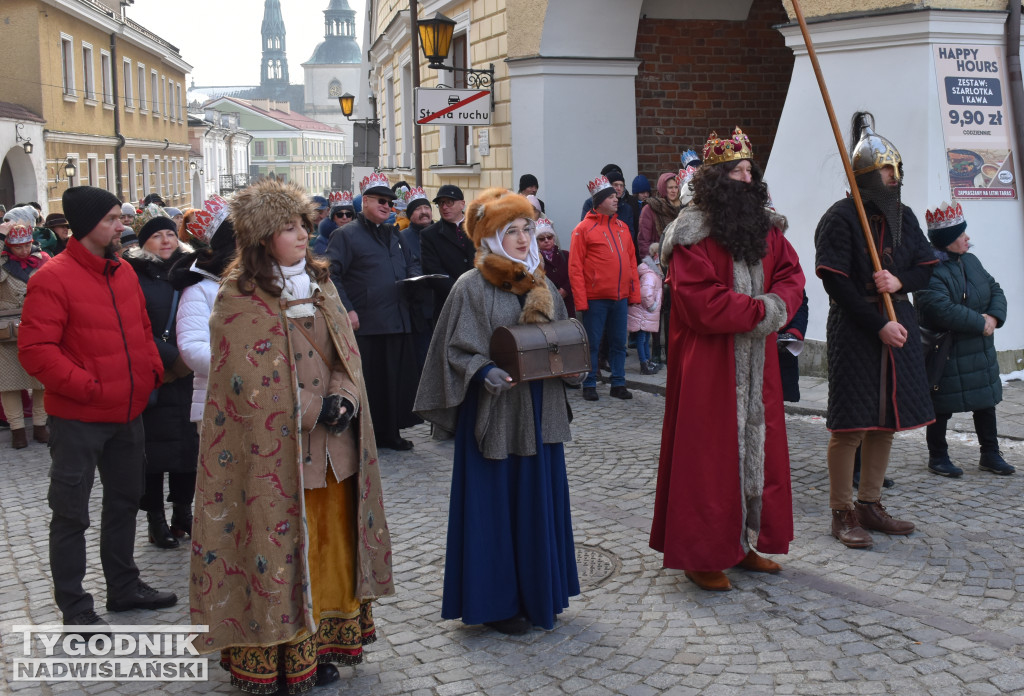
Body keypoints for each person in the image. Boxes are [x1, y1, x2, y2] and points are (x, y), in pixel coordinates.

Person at [190, 177, 393, 695]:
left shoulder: (321, 285)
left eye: (303, 224)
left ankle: (320, 647)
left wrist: (343, 396)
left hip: (335, 451)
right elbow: (245, 379)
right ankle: (275, 654)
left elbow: (346, 350)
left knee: (329, 547)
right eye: (288, 228)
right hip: (274, 457)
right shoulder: (238, 297)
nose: (303, 235)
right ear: (262, 239)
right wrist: (313, 408)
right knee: (277, 550)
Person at [414, 188, 580, 635]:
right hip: (497, 415)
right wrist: (481, 370)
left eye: (527, 228)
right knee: (495, 506)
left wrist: (572, 366)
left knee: (537, 501)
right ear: (489, 237)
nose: (524, 239)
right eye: (512, 231)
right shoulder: (470, 287)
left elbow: (565, 339)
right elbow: (451, 350)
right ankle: (497, 602)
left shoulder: (542, 284)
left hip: (541, 413)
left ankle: (542, 592)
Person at [649, 128, 805, 592]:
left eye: (750, 170)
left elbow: (791, 275)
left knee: (759, 453)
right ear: (717, 179)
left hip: (758, 364)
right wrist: (761, 312)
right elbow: (701, 302)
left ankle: (742, 542)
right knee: (708, 458)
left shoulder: (765, 227)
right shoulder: (691, 234)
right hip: (710, 365)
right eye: (737, 171)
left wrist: (775, 307)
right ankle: (701, 553)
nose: (747, 178)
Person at [19, 185, 175, 630]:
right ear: (88, 224)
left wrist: (149, 373)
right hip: (78, 418)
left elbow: (142, 331)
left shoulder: (123, 271)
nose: (121, 225)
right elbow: (36, 351)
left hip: (128, 412)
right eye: (112, 219)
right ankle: (75, 607)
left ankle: (123, 587)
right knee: (70, 513)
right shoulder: (52, 277)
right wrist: (88, 387)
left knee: (125, 502)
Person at [815, 112, 937, 549]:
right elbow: (836, 283)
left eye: (896, 169)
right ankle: (842, 511)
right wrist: (878, 324)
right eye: (887, 169)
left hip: (897, 324)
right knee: (851, 425)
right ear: (867, 173)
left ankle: (870, 503)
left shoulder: (904, 216)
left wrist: (899, 281)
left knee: (886, 422)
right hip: (856, 329)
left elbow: (926, 266)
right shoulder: (840, 217)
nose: (894, 176)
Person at [325, 173, 422, 451]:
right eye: (380, 200)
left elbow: (412, 262)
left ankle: (391, 433)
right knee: (370, 384)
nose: (386, 206)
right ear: (365, 201)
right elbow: (330, 275)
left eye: (389, 202)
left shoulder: (394, 233)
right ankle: (366, 435)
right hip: (367, 323)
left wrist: (416, 279)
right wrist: (348, 309)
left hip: (398, 319)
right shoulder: (345, 235)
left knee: (394, 382)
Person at [915, 202, 1013, 477]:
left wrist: (994, 317)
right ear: (947, 240)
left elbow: (995, 288)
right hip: (946, 350)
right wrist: (981, 323)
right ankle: (938, 457)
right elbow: (940, 309)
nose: (967, 238)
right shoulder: (929, 270)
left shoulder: (971, 261)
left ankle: (990, 454)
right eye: (961, 234)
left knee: (985, 402)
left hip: (978, 349)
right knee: (940, 406)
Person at [123, 208, 198, 550]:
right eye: (156, 236)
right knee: (151, 455)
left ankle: (184, 512)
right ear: (143, 244)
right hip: (155, 376)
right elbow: (132, 325)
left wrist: (188, 361)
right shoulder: (132, 275)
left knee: (189, 450)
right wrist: (170, 360)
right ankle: (155, 520)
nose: (166, 240)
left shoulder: (192, 271)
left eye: (169, 233)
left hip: (189, 376)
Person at [569, 174, 641, 401]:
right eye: (610, 197)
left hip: (619, 297)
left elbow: (631, 263)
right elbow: (575, 267)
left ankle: (618, 383)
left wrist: (634, 293)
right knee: (592, 343)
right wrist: (581, 301)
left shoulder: (623, 228)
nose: (616, 198)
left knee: (619, 343)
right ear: (599, 201)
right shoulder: (582, 229)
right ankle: (589, 383)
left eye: (615, 196)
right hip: (595, 298)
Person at [171, 195, 235, 431]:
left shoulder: (265, 280)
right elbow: (192, 348)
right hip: (218, 402)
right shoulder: (201, 289)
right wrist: (247, 363)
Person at [0, 221, 50, 448]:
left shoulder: (44, 260)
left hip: (39, 326)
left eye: (27, 245)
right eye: (18, 246)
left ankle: (40, 425)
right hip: (6, 331)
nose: (23, 250)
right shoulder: (2, 263)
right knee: (8, 383)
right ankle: (17, 429)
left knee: (42, 379)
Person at [421, 184, 475, 324]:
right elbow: (433, 272)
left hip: (479, 301)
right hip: (448, 304)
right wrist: (461, 293)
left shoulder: (478, 228)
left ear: (462, 204)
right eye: (441, 203)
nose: (444, 207)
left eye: (449, 202)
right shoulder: (429, 235)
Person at [399, 187, 435, 371]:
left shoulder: (440, 232)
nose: (424, 212)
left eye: (426, 208)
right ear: (410, 214)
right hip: (417, 310)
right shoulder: (402, 238)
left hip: (441, 305)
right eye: (418, 209)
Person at [628, 242, 663, 375]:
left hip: (645, 312)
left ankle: (647, 361)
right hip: (644, 312)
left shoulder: (652, 272)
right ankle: (644, 363)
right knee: (642, 338)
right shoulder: (650, 274)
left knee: (645, 338)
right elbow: (646, 293)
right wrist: (652, 306)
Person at [536, 218, 573, 319]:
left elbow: (574, 275)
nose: (546, 240)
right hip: (547, 304)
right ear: (537, 242)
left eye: (549, 237)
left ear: (554, 238)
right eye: (542, 239)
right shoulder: (535, 260)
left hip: (567, 302)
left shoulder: (566, 255)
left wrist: (565, 289)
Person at [313, 192, 354, 256]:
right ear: (333, 217)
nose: (344, 217)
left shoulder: (359, 234)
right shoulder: (323, 239)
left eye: (348, 214)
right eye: (339, 214)